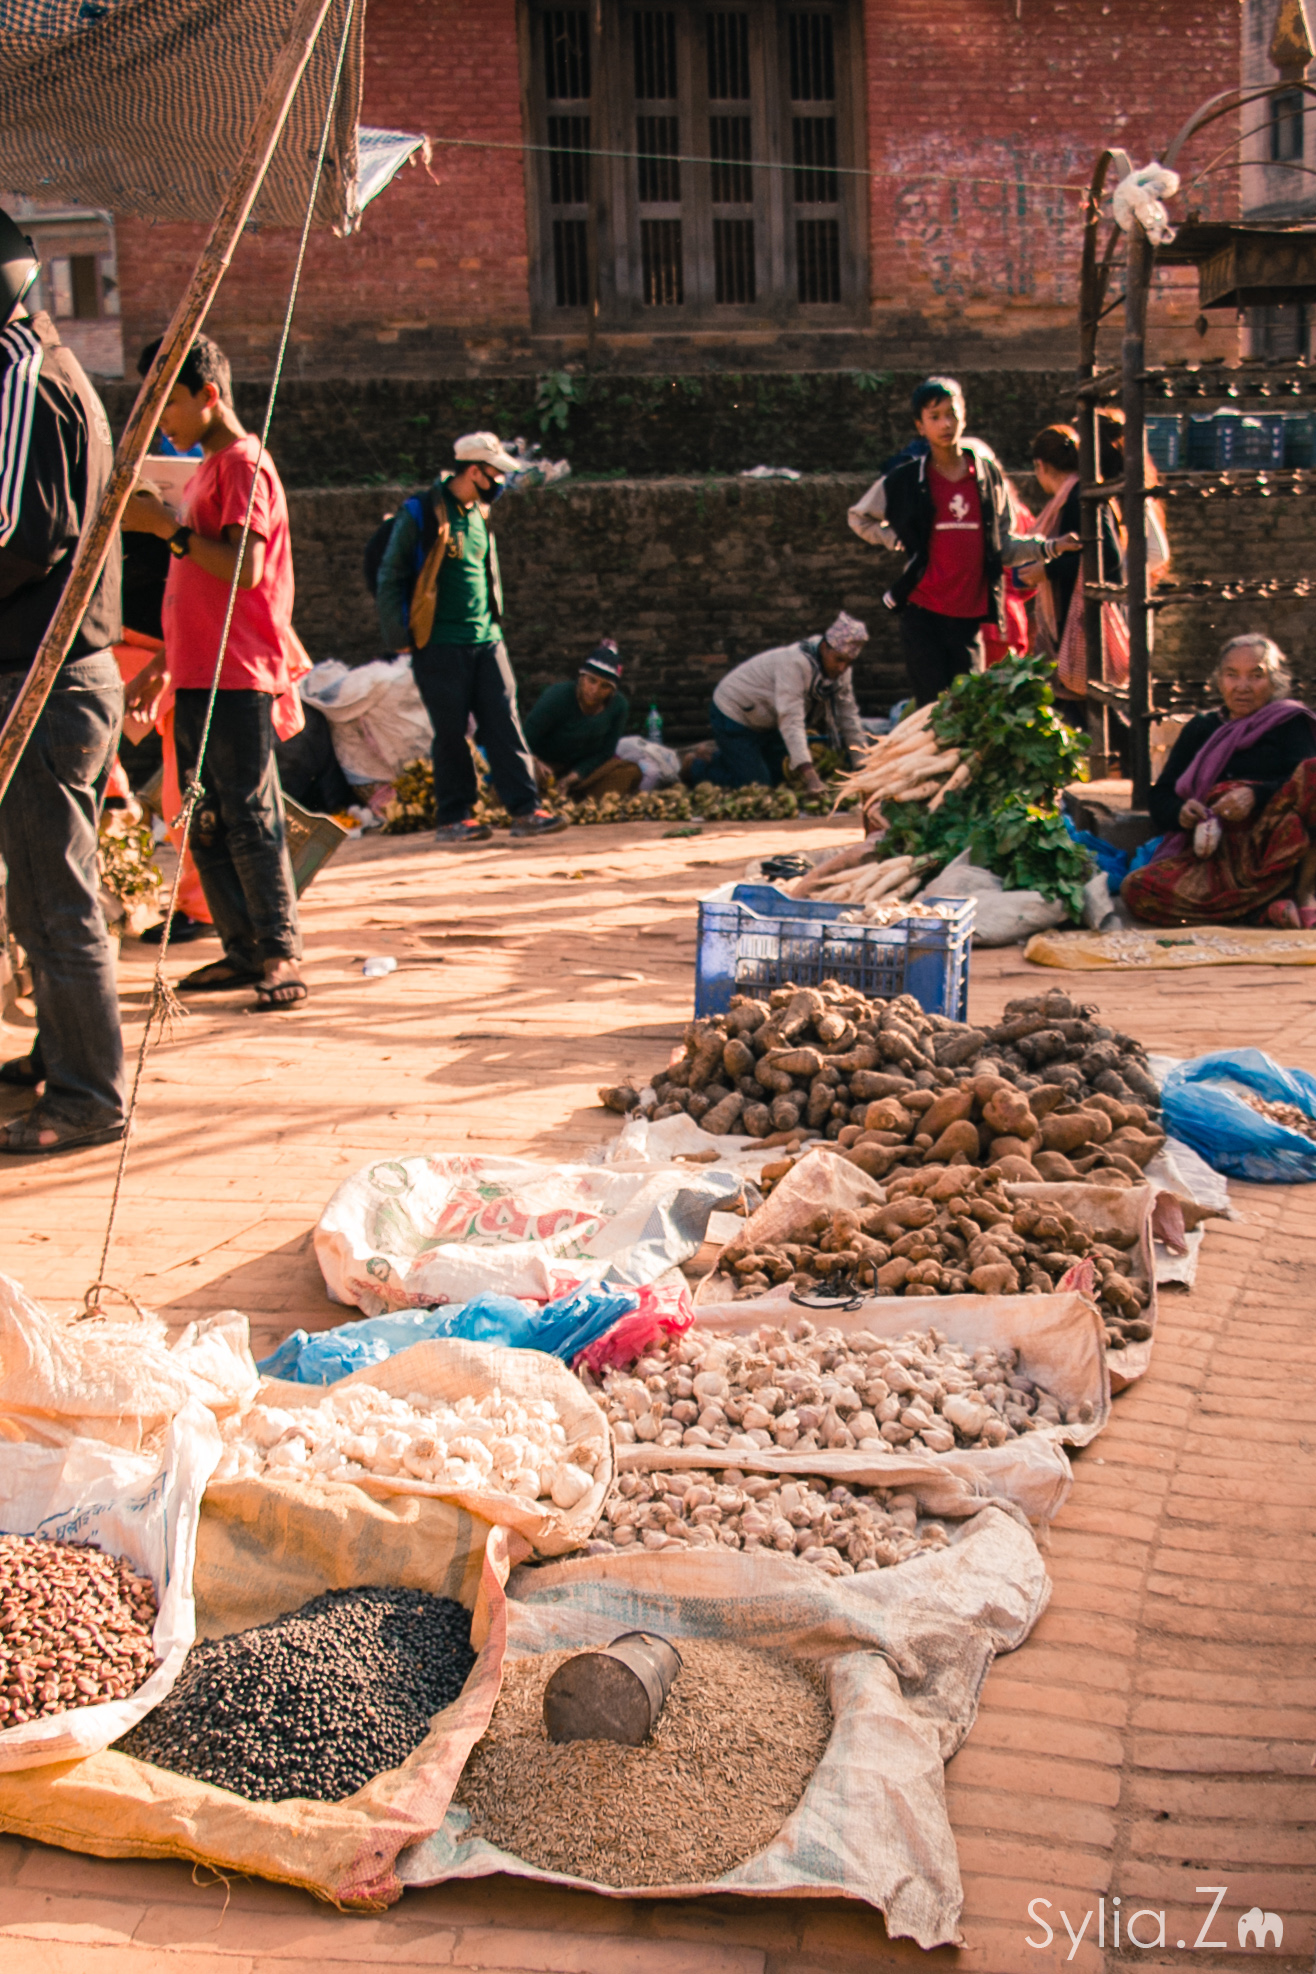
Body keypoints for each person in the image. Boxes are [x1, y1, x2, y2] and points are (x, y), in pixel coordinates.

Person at [120, 333, 309, 1008]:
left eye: (166, 404)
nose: (159, 421)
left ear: (209, 396)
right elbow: (197, 591)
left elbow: (243, 569)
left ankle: (280, 953)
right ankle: (240, 948)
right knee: (207, 819)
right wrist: (162, 667)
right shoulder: (203, 467)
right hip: (198, 668)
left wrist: (163, 528)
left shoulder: (242, 464)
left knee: (251, 815)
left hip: (239, 668)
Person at [0, 205, 126, 1152]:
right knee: (41, 882)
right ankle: (61, 1052)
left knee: (54, 890)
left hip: (42, 672)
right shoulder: (52, 367)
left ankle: (87, 1092)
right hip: (61, 665)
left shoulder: (18, 368)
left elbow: (14, 534)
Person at [375, 432, 565, 844]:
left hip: (487, 636)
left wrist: (496, 622)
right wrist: (399, 636)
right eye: (495, 474)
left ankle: (524, 807)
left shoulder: (480, 513)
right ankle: (454, 816)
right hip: (439, 641)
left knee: (503, 719)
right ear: (474, 471)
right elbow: (390, 575)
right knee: (451, 731)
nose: (500, 482)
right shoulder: (422, 511)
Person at [847, 376, 1078, 705]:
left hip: (970, 620)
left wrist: (1050, 547)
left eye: (951, 414)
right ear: (920, 426)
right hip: (923, 612)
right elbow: (858, 517)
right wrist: (897, 540)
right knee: (933, 712)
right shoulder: (907, 480)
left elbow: (1006, 548)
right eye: (935, 417)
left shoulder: (987, 478)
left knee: (968, 711)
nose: (945, 424)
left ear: (964, 416)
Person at [1122, 635, 1316, 927]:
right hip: (1216, 859)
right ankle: (1261, 910)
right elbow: (1160, 797)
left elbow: (1304, 783)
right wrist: (1182, 813)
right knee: (1137, 890)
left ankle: (1302, 894)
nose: (1242, 687)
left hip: (1279, 852)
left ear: (1275, 681)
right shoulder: (1202, 729)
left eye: (1256, 676)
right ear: (1219, 680)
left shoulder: (1290, 723)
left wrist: (1256, 796)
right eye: (1232, 675)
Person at [685, 613, 869, 793]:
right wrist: (810, 775)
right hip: (734, 713)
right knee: (759, 787)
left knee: (781, 776)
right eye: (838, 660)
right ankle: (696, 767)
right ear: (824, 647)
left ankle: (724, 757)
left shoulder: (842, 674)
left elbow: (849, 719)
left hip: (766, 720)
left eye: (848, 663)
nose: (841, 668)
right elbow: (791, 719)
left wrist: (863, 768)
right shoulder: (795, 663)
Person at [524, 643, 641, 801]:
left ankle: (573, 796)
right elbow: (524, 737)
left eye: (605, 686)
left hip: (580, 773)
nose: (595, 690)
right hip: (544, 767)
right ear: (582, 677)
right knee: (513, 781)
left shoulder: (618, 707)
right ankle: (543, 797)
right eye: (591, 681)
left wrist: (572, 777)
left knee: (628, 772)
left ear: (612, 691)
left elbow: (605, 752)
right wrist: (535, 761)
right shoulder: (558, 696)